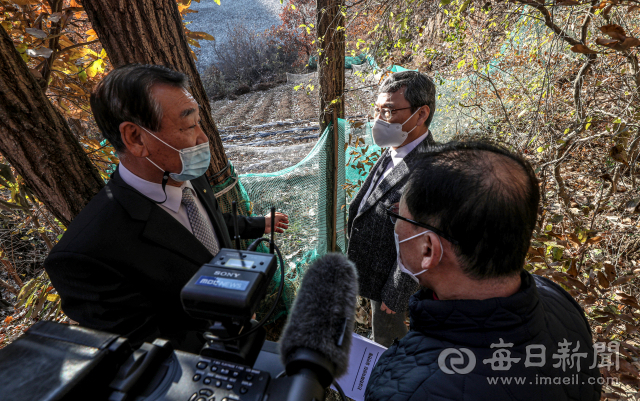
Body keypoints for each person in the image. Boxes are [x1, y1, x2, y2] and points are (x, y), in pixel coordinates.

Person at [44, 64, 289, 351]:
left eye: (199, 122)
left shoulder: (186, 173)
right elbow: (145, 352)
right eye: (187, 126)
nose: (202, 139)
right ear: (135, 138)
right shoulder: (87, 254)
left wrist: (259, 224)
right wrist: (233, 336)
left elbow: (207, 225)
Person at [365, 141, 601, 400]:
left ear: (429, 250)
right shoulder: (558, 299)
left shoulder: (415, 390)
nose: (396, 226)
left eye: (399, 217)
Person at [347, 71, 436, 347]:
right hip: (374, 273)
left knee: (390, 343)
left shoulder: (428, 171)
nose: (378, 120)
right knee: (376, 335)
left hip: (391, 288)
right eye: (377, 109)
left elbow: (424, 242)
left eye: (388, 111)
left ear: (421, 115)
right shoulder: (394, 149)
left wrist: (397, 292)